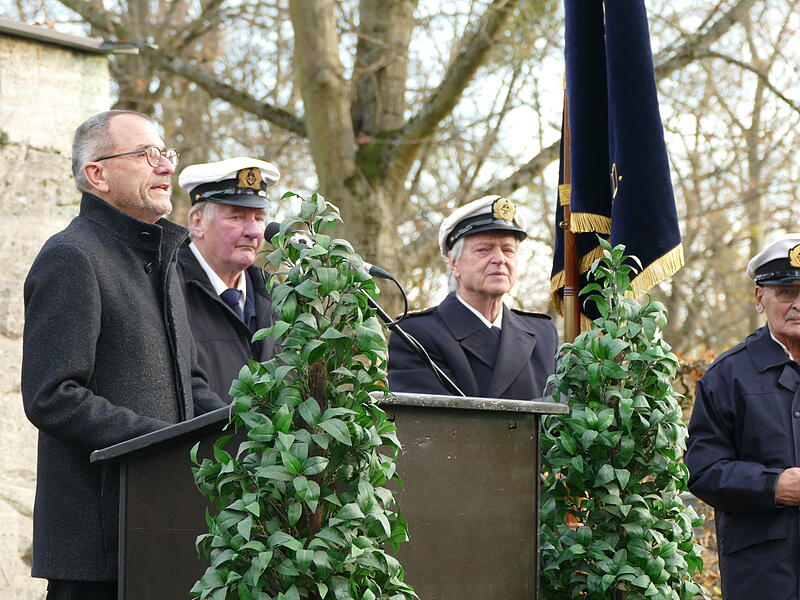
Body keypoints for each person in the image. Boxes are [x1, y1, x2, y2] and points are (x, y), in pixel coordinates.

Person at [21, 110, 225, 600]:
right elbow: (53, 396)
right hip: (100, 551)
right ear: (98, 174)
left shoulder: (163, 259)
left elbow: (189, 381)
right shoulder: (71, 256)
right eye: (146, 155)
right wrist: (163, 443)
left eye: (166, 154)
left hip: (166, 530)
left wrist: (251, 430)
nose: (165, 167)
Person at [685, 233, 800, 600]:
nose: (798, 304)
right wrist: (773, 485)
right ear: (759, 298)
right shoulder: (728, 375)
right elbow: (702, 469)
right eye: (787, 292)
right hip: (764, 572)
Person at [387, 195, 558, 399]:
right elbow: (428, 425)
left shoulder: (543, 335)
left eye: (508, 250)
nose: (500, 259)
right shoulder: (415, 335)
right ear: (454, 264)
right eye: (484, 250)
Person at [176, 158, 281, 400]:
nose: (253, 231)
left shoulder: (277, 297)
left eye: (259, 218)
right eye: (237, 217)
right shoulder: (167, 289)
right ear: (197, 222)